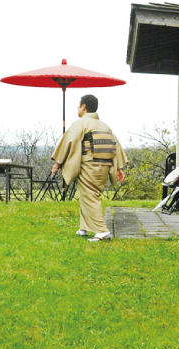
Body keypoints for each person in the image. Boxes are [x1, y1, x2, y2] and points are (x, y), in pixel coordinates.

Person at [51, 94, 127, 242]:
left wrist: (57, 164)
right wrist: (118, 168)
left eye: (79, 105)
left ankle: (102, 231)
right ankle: (83, 228)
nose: (78, 108)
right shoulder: (105, 126)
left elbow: (69, 143)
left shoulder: (81, 123)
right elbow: (115, 146)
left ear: (84, 106)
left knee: (90, 196)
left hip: (89, 164)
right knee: (88, 194)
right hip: (104, 165)